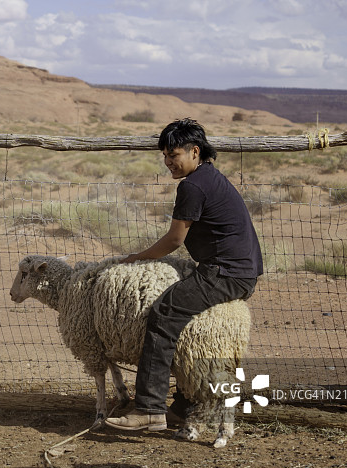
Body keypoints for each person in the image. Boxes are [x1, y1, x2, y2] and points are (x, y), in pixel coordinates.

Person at [105, 118, 263, 431]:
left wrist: (137, 257)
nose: (168, 162)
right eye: (164, 156)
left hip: (225, 273)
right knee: (184, 321)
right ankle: (183, 405)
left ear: (194, 151)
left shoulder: (192, 186)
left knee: (163, 314)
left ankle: (149, 408)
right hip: (242, 271)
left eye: (173, 155)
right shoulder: (209, 177)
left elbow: (174, 240)